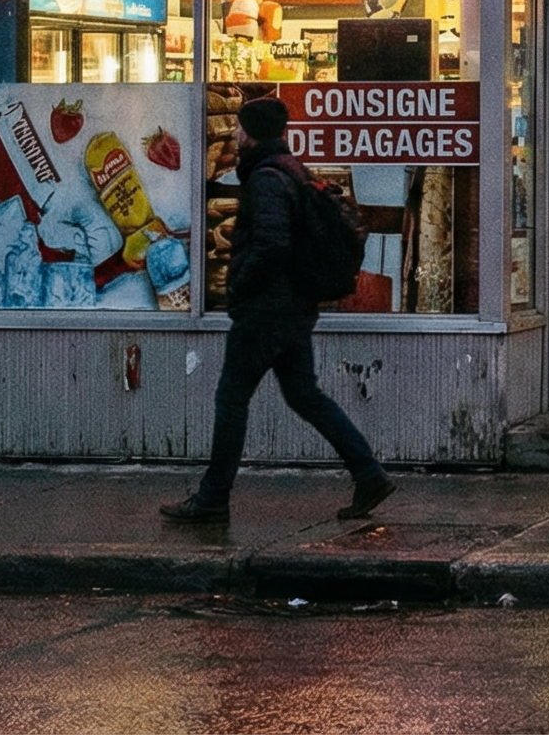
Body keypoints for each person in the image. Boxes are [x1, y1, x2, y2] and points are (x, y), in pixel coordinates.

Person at [163, 96, 393, 526]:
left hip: (266, 311)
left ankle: (213, 498)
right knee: (305, 395)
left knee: (232, 398)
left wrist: (239, 285)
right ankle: (368, 473)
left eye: (238, 128)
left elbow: (271, 243)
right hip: (294, 308)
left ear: (250, 133)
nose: (233, 134)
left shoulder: (267, 178)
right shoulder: (292, 169)